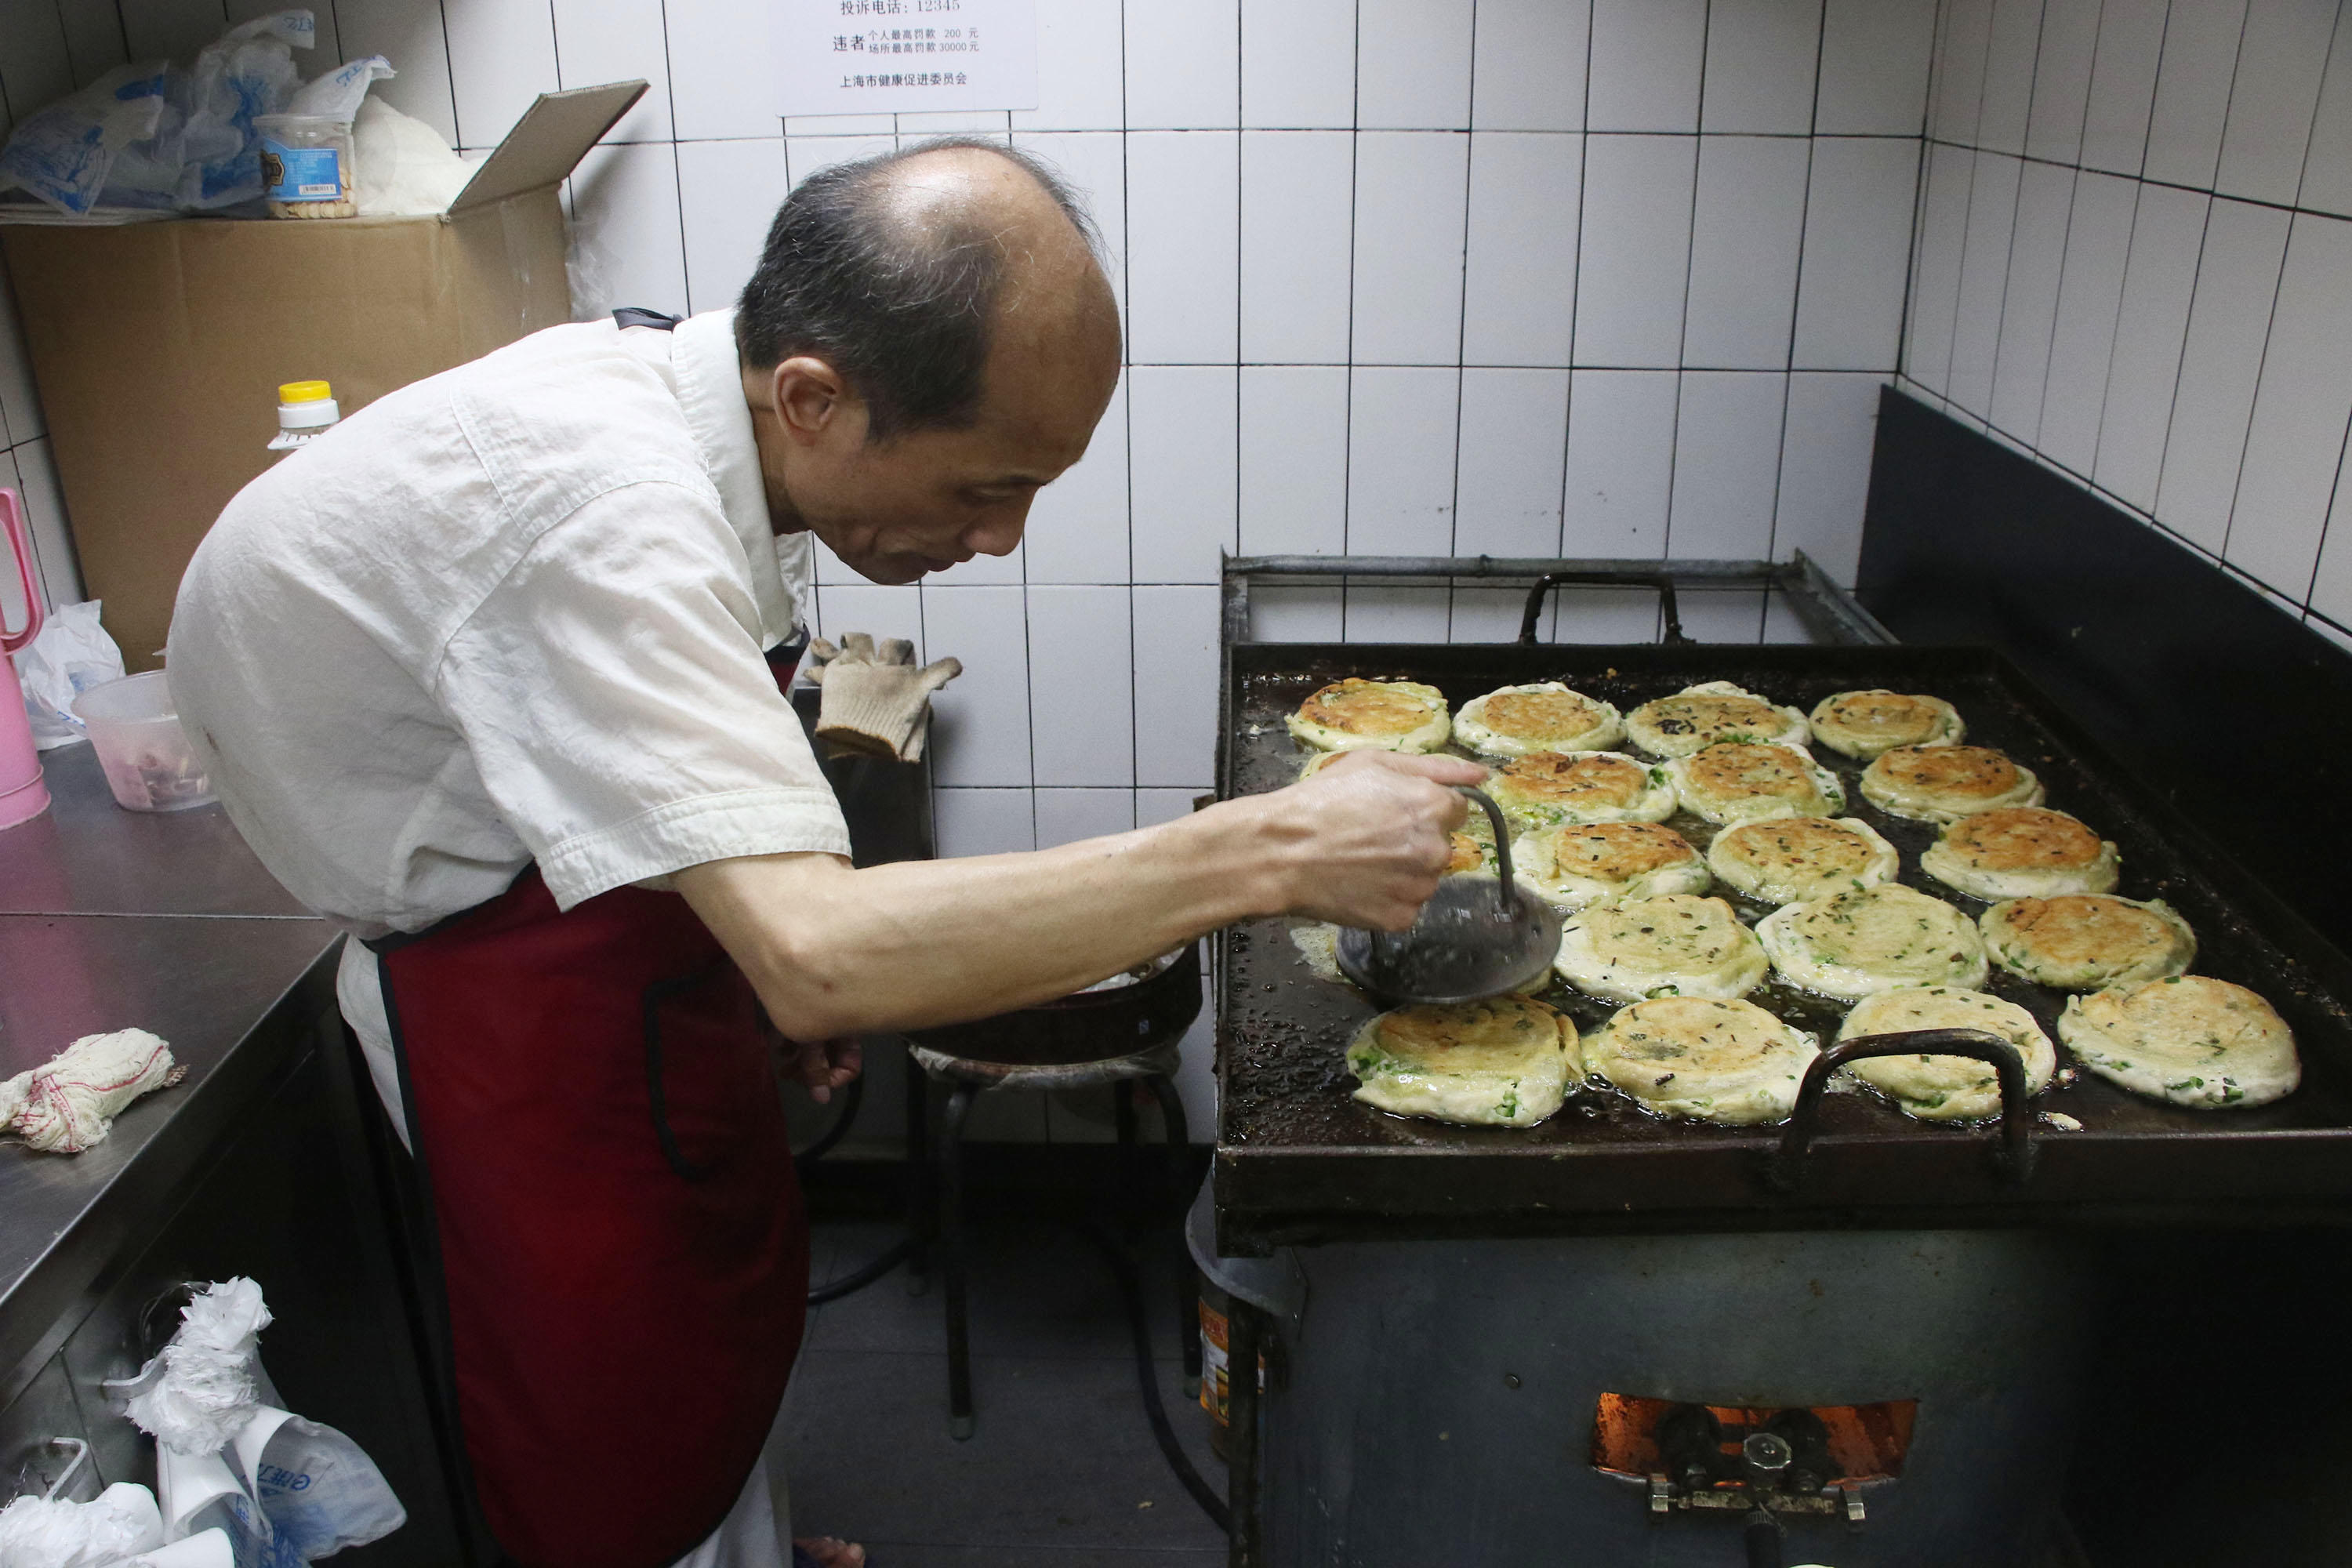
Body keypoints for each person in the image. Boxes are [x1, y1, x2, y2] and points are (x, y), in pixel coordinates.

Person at [168, 140, 1477, 1568]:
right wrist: (1272, 843)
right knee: (610, 1391)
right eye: (986, 486)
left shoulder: (706, 406)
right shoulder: (599, 518)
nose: (1002, 538)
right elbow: (819, 955)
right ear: (813, 397)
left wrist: (730, 958)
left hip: (597, 930)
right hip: (493, 992)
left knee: (712, 1320)